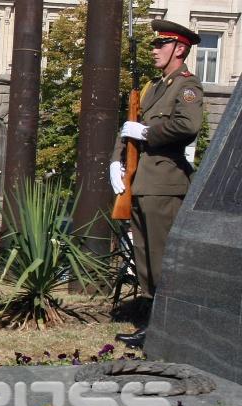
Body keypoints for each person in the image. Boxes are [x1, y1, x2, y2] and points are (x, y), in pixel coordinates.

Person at [109, 20, 203, 348]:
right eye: (153, 44)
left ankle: (166, 328)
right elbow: (131, 124)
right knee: (145, 256)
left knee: (162, 259)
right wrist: (116, 159)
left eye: (161, 44)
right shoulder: (153, 86)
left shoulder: (185, 86)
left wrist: (148, 133)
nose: (154, 49)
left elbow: (188, 125)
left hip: (165, 184)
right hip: (142, 182)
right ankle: (152, 323)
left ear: (179, 49)